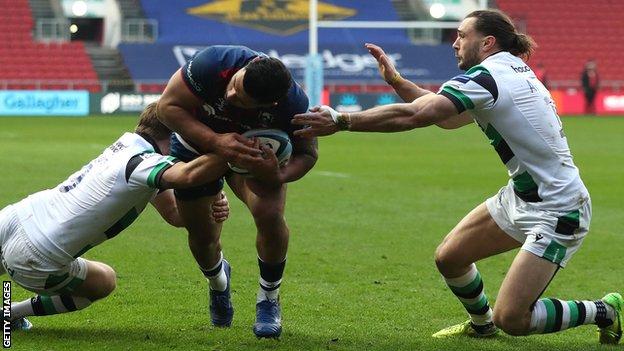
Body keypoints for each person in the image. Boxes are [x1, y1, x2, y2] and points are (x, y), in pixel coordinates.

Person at [292, 9, 621, 345]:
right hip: (522, 196)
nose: (455, 42)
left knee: (514, 318)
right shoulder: (505, 73)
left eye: (463, 35)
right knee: (450, 258)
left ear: (488, 42)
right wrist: (396, 81)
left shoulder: (490, 77)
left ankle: (604, 310)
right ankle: (482, 326)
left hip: (558, 209)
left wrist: (344, 120)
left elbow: (420, 115)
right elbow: (446, 117)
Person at [0, 102, 231, 330]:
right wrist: (230, 148)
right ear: (175, 137)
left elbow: (175, 215)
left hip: (19, 215)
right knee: (104, 281)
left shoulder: (127, 145)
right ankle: (11, 313)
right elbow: (186, 177)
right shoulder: (142, 163)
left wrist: (208, 205)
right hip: (37, 254)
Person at [156, 45, 317, 338]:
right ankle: (219, 283)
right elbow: (166, 108)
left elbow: (307, 155)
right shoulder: (214, 62)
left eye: (243, 100)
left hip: (254, 157)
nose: (231, 96)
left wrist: (278, 173)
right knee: (202, 237)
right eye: (234, 86)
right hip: (197, 148)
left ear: (271, 104)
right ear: (246, 67)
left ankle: (268, 298)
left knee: (269, 214)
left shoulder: (294, 105)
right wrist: (216, 141)